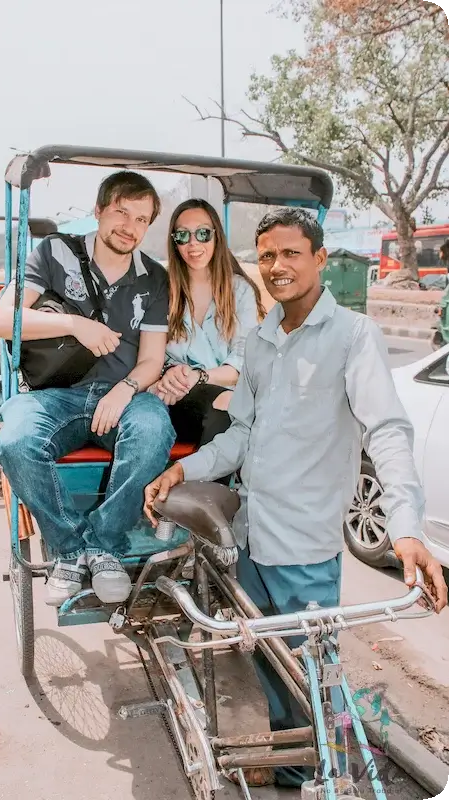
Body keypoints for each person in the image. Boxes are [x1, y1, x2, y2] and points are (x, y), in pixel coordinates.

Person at [144, 207, 448, 789]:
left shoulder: (353, 337)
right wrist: (183, 471)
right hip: (252, 536)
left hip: (306, 548)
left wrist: (406, 529)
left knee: (316, 678)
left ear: (318, 259)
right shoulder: (259, 343)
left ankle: (331, 776)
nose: (278, 266)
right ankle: (291, 764)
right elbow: (240, 436)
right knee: (267, 660)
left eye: (290, 253)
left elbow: (386, 431)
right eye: (267, 257)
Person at [0, 171, 176, 607]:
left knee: (154, 429)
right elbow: (2, 321)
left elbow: (152, 359)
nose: (130, 227)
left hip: (123, 397)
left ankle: (104, 546)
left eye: (142, 219)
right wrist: (75, 324)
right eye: (121, 212)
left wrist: (125, 390)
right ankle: (71, 549)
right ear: (99, 211)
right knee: (14, 441)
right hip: (55, 395)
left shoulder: (153, 277)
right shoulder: (55, 252)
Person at [149, 199, 265, 478]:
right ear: (174, 242)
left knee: (227, 408)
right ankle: (201, 507)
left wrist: (198, 377)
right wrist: (169, 376)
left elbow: (241, 363)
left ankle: (200, 505)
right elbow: (151, 352)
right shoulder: (161, 291)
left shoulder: (240, 292)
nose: (193, 244)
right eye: (182, 235)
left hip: (222, 395)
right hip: (172, 397)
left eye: (203, 233)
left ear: (216, 236)